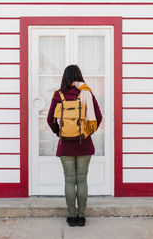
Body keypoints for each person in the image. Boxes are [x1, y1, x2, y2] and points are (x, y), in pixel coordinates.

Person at [47, 64, 103, 227]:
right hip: (84, 143)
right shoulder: (86, 92)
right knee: (82, 179)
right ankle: (81, 216)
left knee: (70, 180)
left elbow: (50, 119)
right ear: (79, 76)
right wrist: (86, 132)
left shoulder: (58, 95)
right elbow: (98, 117)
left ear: (64, 77)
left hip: (65, 145)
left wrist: (60, 133)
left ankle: (71, 216)